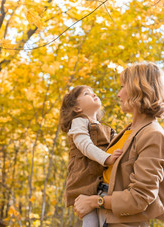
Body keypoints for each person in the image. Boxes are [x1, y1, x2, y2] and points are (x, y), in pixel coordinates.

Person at [74, 62, 164, 227]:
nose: (119, 94)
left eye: (123, 87)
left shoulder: (154, 136)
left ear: (138, 90)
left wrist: (95, 201)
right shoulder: (129, 130)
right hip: (104, 215)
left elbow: (141, 197)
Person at [60, 85, 123, 227]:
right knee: (90, 220)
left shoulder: (105, 128)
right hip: (84, 179)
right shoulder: (79, 122)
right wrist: (107, 158)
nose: (94, 94)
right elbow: (85, 146)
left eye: (94, 92)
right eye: (87, 93)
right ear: (77, 108)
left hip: (101, 182)